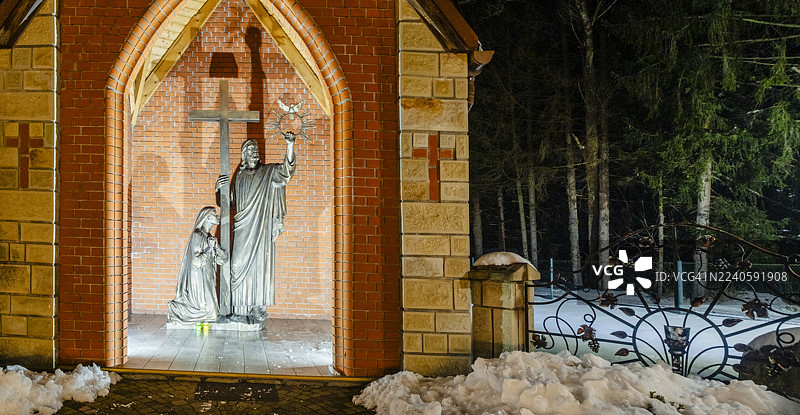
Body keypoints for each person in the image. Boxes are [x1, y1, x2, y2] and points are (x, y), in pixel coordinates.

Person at [216, 132, 296, 322]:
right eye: (249, 150)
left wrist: (290, 146)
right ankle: (238, 308)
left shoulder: (268, 172)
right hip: (242, 228)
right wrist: (220, 189)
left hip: (260, 226)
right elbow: (230, 202)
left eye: (255, 150)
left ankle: (256, 308)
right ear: (243, 155)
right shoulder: (240, 175)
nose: (253, 153)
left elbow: (287, 171)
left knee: (259, 267)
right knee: (235, 265)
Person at [167, 207, 228, 324]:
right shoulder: (197, 235)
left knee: (212, 313)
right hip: (199, 277)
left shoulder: (209, 237)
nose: (218, 216)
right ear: (207, 217)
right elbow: (196, 262)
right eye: (214, 214)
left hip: (208, 276)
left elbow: (223, 260)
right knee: (210, 313)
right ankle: (176, 309)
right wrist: (209, 249)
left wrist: (216, 248)